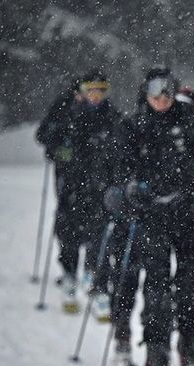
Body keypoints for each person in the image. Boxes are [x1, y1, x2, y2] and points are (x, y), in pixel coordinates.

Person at [107, 67, 194, 366]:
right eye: (155, 91)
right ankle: (156, 356)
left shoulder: (192, 120)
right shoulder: (133, 125)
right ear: (145, 92)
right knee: (156, 288)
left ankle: (189, 353)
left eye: (167, 90)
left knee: (190, 287)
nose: (162, 97)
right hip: (152, 217)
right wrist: (130, 189)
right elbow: (119, 168)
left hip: (191, 214)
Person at [35, 69, 122, 314]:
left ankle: (97, 281)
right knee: (69, 227)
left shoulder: (111, 115)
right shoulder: (65, 108)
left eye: (101, 90)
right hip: (70, 180)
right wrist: (59, 149)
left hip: (99, 182)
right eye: (91, 90)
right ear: (80, 90)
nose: (96, 96)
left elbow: (122, 143)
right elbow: (44, 135)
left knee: (100, 229)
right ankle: (70, 274)